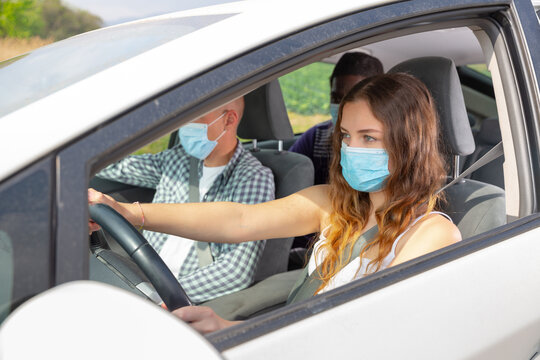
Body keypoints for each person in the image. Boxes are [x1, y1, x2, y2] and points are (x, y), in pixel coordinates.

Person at [89, 73, 461, 334]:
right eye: (346, 135)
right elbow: (239, 220)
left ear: (409, 143)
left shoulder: (431, 233)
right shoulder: (334, 203)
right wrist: (132, 213)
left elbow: (372, 334)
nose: (352, 149)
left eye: (369, 137)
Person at [93, 97, 275, 303]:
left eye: (195, 116)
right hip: (143, 277)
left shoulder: (253, 177)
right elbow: (113, 166)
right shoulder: (176, 159)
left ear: (228, 120)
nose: (184, 125)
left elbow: (236, 270)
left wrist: (164, 296)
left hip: (187, 300)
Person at [290, 52, 383, 185]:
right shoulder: (316, 138)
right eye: (336, 98)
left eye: (354, 99)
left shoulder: (390, 143)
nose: (343, 107)